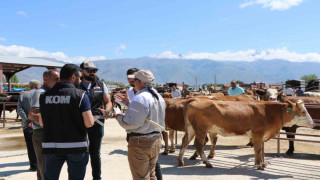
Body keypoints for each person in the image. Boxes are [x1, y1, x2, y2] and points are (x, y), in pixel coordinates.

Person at [107, 70, 165, 180]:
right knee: (151, 175)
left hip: (141, 143)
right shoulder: (158, 96)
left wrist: (119, 116)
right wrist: (129, 104)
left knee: (141, 177)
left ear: (140, 82)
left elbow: (131, 123)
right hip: (155, 140)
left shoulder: (141, 98)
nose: (133, 83)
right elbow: (147, 115)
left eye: (135, 81)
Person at [39, 64, 94, 180]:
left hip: (51, 146)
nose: (80, 80)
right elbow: (89, 123)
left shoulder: (44, 96)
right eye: (79, 77)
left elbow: (42, 123)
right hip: (76, 146)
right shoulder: (81, 95)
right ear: (73, 77)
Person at [79, 60, 112, 180]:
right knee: (80, 154)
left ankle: (97, 178)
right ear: (81, 71)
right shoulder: (75, 84)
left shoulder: (101, 84)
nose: (92, 72)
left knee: (95, 153)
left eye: (94, 70)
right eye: (89, 70)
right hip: (79, 124)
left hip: (97, 123)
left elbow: (108, 102)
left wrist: (107, 111)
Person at [28, 69, 60, 180]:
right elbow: (32, 114)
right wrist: (49, 121)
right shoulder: (41, 93)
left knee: (43, 167)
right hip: (41, 133)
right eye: (56, 79)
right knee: (44, 167)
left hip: (46, 133)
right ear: (46, 79)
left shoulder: (50, 91)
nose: (59, 81)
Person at [17, 80, 41, 171]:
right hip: (40, 125)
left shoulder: (23, 96)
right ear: (37, 85)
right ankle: (42, 165)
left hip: (27, 126)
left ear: (30, 86)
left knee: (30, 146)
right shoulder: (42, 93)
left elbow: (19, 110)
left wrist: (27, 121)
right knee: (42, 145)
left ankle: (34, 166)